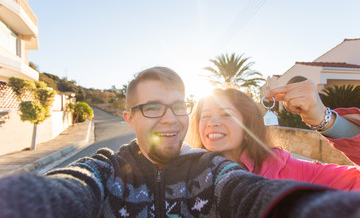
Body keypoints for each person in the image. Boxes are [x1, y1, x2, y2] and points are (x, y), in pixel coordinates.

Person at [1, 67, 360, 218]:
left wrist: (326, 120)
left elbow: (248, 190)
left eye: (178, 107)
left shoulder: (217, 171)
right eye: (153, 108)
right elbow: (72, 186)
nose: (170, 119)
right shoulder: (106, 168)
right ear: (129, 118)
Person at [187, 80, 360, 191]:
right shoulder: (185, 174)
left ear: (248, 128)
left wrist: (326, 120)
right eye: (206, 115)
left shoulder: (290, 171)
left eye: (226, 114)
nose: (212, 123)